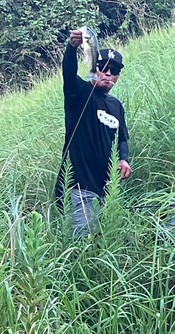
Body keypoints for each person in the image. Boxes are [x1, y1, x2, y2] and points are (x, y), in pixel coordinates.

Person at [56, 29, 132, 237]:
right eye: (103, 68)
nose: (108, 73)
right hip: (79, 187)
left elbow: (122, 139)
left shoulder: (116, 106)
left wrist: (124, 160)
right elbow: (69, 73)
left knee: (100, 245)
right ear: (94, 67)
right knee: (81, 249)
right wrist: (71, 48)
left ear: (118, 77)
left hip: (106, 190)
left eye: (114, 71)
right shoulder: (78, 93)